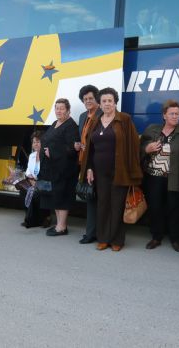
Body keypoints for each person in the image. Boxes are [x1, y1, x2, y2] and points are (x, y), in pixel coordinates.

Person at [81, 88, 143, 251]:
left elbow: (133, 145)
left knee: (117, 205)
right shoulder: (96, 120)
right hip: (99, 172)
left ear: (115, 102)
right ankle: (103, 238)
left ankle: (116, 240)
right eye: (104, 101)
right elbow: (90, 149)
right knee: (102, 205)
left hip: (119, 170)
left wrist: (133, 170)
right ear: (99, 104)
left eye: (110, 100)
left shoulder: (124, 119)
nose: (107, 103)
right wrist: (89, 168)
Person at [140, 100, 179, 252]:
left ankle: (175, 239)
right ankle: (156, 237)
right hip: (153, 177)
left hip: (174, 177)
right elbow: (140, 147)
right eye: (172, 114)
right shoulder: (152, 130)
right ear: (164, 115)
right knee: (155, 207)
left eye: (177, 114)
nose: (175, 116)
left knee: (174, 208)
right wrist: (147, 148)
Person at [38, 98, 80, 236]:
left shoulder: (71, 126)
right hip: (52, 168)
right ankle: (59, 224)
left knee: (63, 196)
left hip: (65, 169)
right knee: (55, 196)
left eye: (62, 108)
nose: (59, 111)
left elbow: (72, 149)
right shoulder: (55, 123)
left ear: (68, 111)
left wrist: (54, 152)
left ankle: (62, 227)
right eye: (57, 108)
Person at [75, 85, 102, 244]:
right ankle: (92, 232)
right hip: (84, 162)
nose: (88, 101)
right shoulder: (82, 116)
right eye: (85, 99)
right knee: (90, 197)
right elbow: (82, 137)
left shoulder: (102, 114)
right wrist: (78, 145)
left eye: (91, 98)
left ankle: (96, 233)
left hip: (98, 162)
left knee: (98, 199)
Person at [20, 131, 50, 228]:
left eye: (38, 141)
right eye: (33, 142)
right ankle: (30, 217)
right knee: (23, 188)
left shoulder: (46, 155)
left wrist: (35, 181)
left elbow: (47, 173)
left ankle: (44, 218)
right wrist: (30, 179)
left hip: (44, 182)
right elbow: (28, 171)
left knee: (35, 192)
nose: (35, 144)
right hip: (33, 181)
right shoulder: (32, 156)